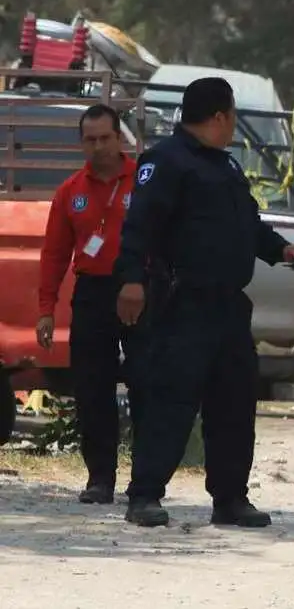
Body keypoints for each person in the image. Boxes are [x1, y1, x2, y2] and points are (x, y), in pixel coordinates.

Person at [114, 77, 294, 528]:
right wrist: (130, 281)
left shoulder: (223, 168)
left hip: (228, 307)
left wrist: (285, 250)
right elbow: (139, 227)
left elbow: (248, 224)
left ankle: (230, 498)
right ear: (221, 116)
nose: (233, 129)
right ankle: (144, 495)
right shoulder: (166, 161)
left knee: (234, 404)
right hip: (183, 304)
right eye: (232, 119)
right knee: (171, 402)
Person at [36, 104, 140, 504]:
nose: (98, 147)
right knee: (92, 387)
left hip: (137, 289)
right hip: (93, 292)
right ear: (81, 143)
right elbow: (55, 255)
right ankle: (100, 478)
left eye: (105, 138)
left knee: (146, 380)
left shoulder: (143, 183)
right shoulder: (70, 192)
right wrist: (46, 309)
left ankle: (146, 479)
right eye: (90, 140)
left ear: (119, 138)